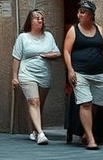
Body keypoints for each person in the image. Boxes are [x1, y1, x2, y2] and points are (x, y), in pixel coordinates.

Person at [63, 0, 103, 150]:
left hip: (98, 74)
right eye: (79, 12)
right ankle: (91, 139)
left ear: (91, 15)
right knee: (85, 103)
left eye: (83, 12)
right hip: (80, 73)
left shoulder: (100, 29)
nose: (80, 15)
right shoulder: (74, 30)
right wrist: (70, 70)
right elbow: (66, 51)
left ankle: (86, 132)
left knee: (95, 104)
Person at [11, 9, 61, 145]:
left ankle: (34, 130)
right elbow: (16, 57)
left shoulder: (48, 36)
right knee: (34, 102)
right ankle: (41, 134)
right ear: (30, 21)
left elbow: (57, 53)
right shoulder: (23, 37)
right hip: (27, 73)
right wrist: (14, 77)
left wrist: (47, 55)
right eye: (36, 18)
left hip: (44, 74)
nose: (40, 20)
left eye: (42, 18)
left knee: (40, 105)